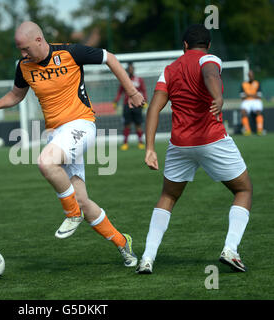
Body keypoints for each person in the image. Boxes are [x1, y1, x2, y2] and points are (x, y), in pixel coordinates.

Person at [0, 21, 145, 267]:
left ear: (38, 40)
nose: (22, 54)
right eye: (19, 50)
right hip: (57, 135)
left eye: (25, 48)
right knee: (82, 200)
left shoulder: (70, 52)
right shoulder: (24, 67)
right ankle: (123, 243)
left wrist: (131, 92)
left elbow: (109, 57)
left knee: (46, 162)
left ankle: (71, 214)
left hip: (81, 124)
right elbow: (16, 94)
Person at [136, 25, 252, 274]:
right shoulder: (210, 59)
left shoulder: (170, 70)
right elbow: (210, 74)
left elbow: (154, 108)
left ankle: (147, 258)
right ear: (207, 46)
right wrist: (218, 98)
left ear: (185, 45)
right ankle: (230, 249)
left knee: (168, 197)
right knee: (243, 189)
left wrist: (149, 148)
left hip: (180, 145)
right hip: (212, 140)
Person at [113, 63, 148, 150]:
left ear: (134, 70)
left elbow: (143, 90)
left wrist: (145, 101)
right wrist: (116, 101)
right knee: (127, 125)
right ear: (127, 70)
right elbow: (120, 92)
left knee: (138, 124)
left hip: (137, 104)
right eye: (129, 69)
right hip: (126, 105)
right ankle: (125, 143)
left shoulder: (139, 80)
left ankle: (140, 142)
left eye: (132, 69)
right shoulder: (124, 80)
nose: (131, 70)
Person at [240, 70, 264, 136]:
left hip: (256, 100)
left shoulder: (257, 83)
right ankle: (248, 131)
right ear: (248, 75)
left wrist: (248, 95)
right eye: (249, 75)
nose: (250, 76)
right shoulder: (244, 84)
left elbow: (259, 96)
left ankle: (260, 130)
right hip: (246, 101)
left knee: (258, 111)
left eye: (251, 74)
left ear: (253, 75)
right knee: (243, 112)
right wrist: (253, 95)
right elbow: (242, 97)